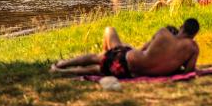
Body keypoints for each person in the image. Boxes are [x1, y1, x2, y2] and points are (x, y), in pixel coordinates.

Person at [50, 18, 200, 78]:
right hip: (129, 73)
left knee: (97, 57)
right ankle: (63, 71)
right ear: (194, 34)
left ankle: (61, 66)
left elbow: (142, 50)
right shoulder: (193, 48)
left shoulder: (163, 33)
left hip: (125, 59)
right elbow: (188, 72)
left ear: (181, 27)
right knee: (96, 70)